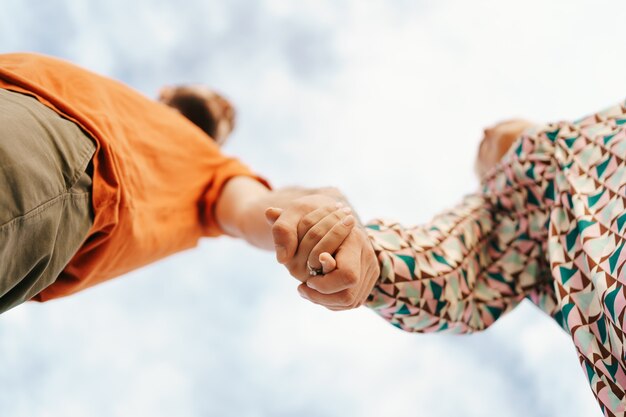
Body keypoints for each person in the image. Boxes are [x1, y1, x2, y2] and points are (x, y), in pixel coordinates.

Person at [270, 104, 626, 416]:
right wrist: (367, 255)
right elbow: (445, 265)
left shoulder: (612, 117)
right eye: (482, 152)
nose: (486, 131)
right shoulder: (506, 211)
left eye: (489, 131)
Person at [0, 52, 357, 314]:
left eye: (227, 119)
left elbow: (253, 209)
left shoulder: (213, 165)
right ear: (166, 91)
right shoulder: (96, 84)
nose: (226, 108)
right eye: (218, 99)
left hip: (61, 158)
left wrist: (312, 211)